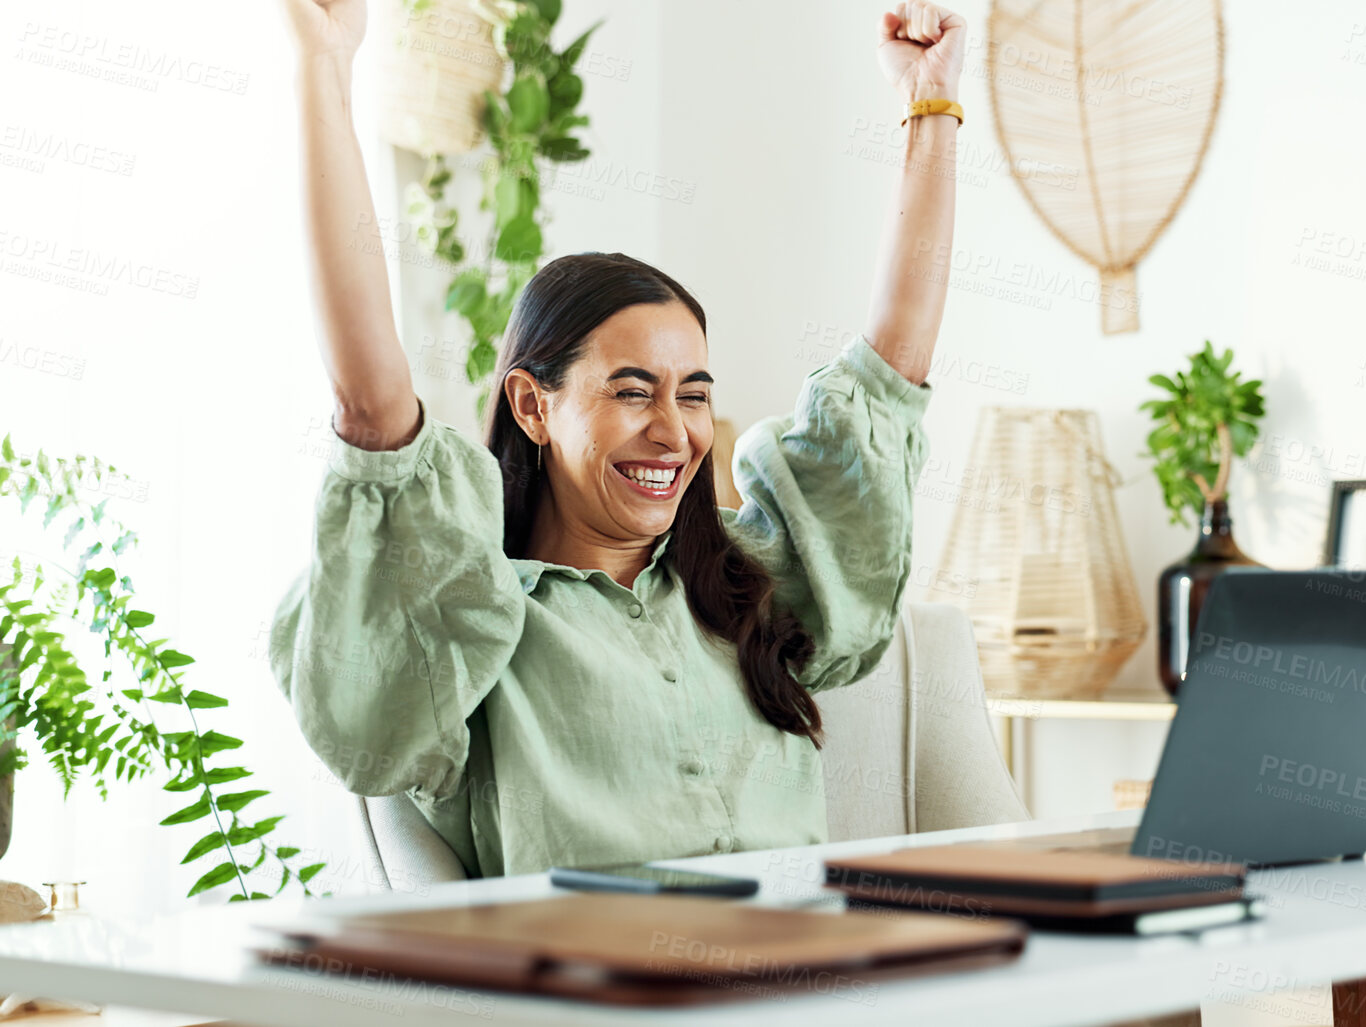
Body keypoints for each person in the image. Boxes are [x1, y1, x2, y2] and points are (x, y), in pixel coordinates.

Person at [270, 0, 966, 878]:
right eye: (632, 391)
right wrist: (322, 62)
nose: (674, 432)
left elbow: (890, 370)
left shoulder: (753, 592)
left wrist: (931, 107)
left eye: (694, 394)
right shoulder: (467, 623)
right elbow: (373, 405)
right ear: (531, 405)